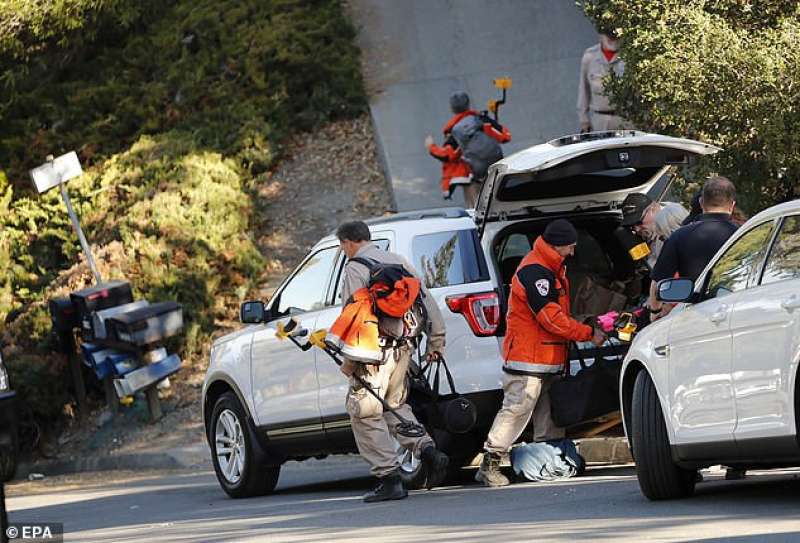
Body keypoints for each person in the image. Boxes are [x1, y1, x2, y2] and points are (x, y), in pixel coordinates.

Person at [475, 219, 606, 487]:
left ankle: (550, 461)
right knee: (517, 409)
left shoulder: (551, 267)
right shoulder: (535, 272)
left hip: (547, 358)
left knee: (549, 415)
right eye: (569, 247)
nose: (572, 252)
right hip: (528, 358)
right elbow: (552, 319)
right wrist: (587, 333)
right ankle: (490, 464)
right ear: (556, 245)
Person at [336, 221, 450, 503]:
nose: (343, 251)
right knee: (395, 406)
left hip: (374, 355)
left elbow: (357, 316)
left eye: (342, 246)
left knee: (364, 413)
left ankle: (389, 478)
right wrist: (436, 341)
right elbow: (427, 302)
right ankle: (427, 451)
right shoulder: (397, 261)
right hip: (403, 350)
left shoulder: (355, 268)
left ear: (349, 243)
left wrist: (351, 360)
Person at [647, 176, 739, 319]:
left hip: (695, 316)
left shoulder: (679, 236)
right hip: (737, 310)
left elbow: (658, 282)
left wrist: (654, 313)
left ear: (701, 203)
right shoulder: (744, 234)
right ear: (732, 205)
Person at [426, 91, 511, 208]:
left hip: (472, 175)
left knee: (477, 209)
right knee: (499, 203)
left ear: (452, 108)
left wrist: (431, 146)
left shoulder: (455, 130)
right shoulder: (482, 119)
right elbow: (505, 136)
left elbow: (448, 155)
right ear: (468, 104)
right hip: (495, 169)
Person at [577, 30, 633, 133]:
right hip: (600, 122)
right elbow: (584, 90)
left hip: (627, 121)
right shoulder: (590, 56)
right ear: (601, 35)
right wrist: (583, 119)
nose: (612, 39)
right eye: (609, 35)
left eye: (615, 36)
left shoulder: (630, 55)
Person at [620, 192, 664, 269]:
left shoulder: (673, 229)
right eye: (632, 226)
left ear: (652, 210)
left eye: (639, 222)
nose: (636, 229)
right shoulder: (645, 238)